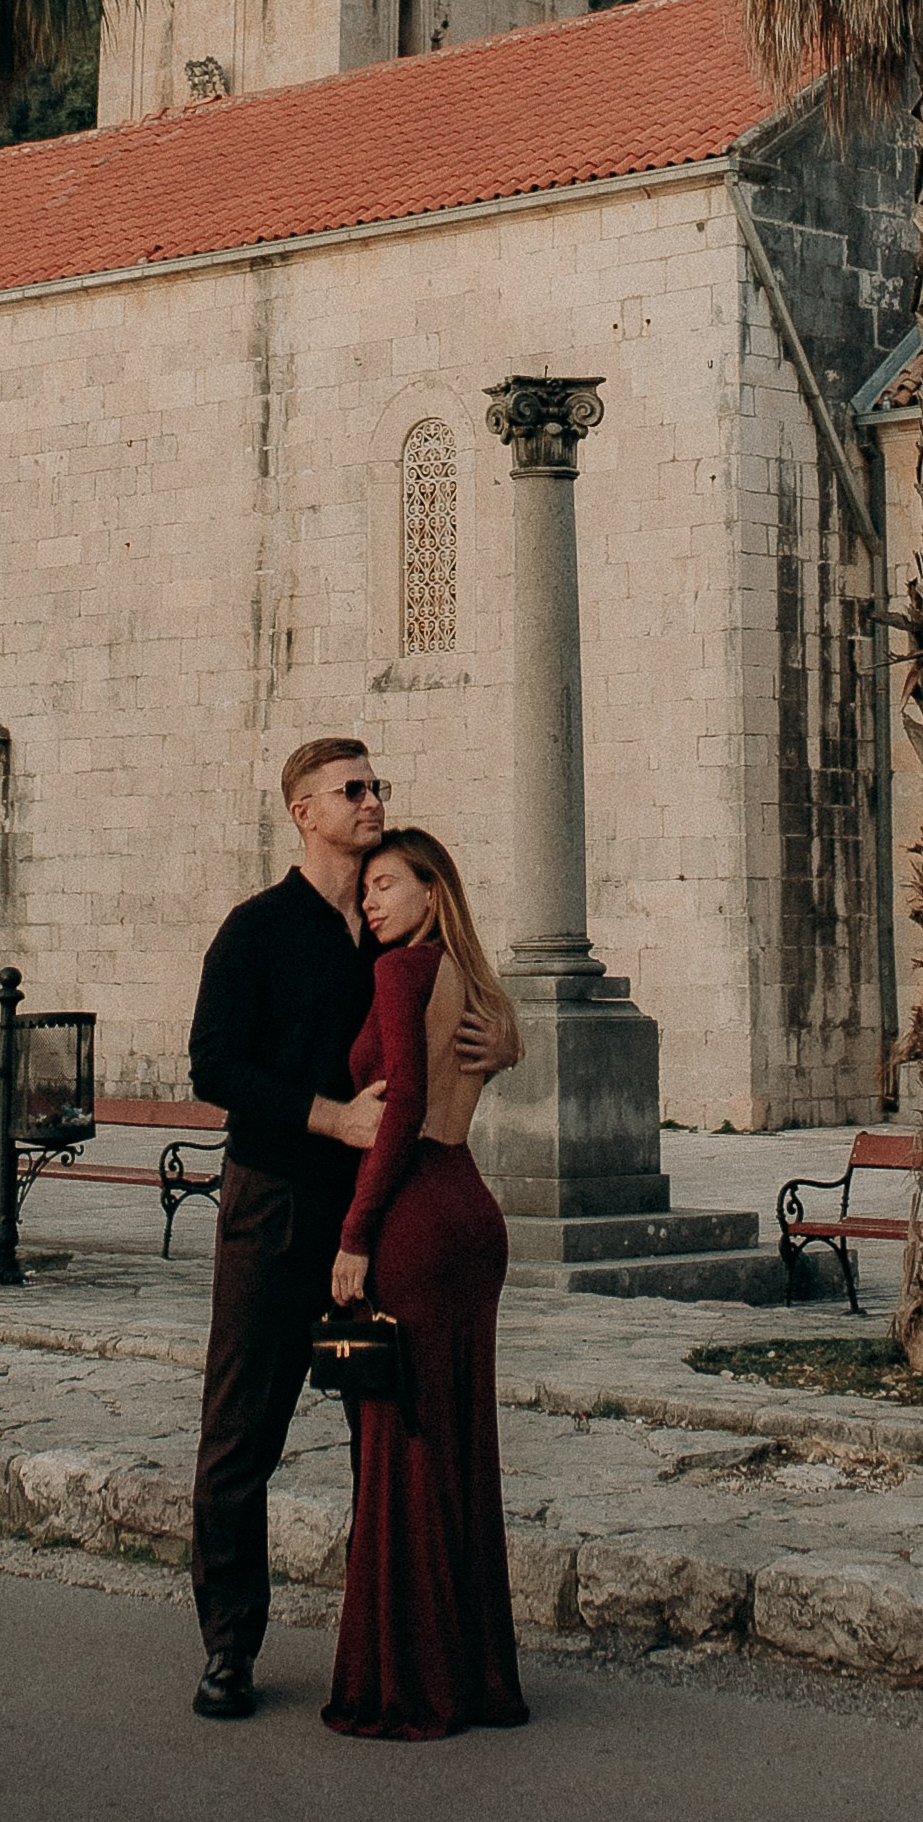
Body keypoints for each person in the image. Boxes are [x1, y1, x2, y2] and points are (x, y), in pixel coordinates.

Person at [185, 739, 515, 1723]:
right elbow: (212, 1066)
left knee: (384, 1430)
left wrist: (507, 1039)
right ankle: (229, 1648)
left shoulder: (387, 930)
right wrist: (329, 1115)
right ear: (303, 811)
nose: (374, 801)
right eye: (353, 790)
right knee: (242, 1428)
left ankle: (393, 1643)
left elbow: (459, 1002)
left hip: (380, 1218)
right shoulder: (256, 931)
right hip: (277, 1205)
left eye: (378, 789)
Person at [322, 827, 529, 1741]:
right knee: (457, 1443)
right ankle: (477, 1672)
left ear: (432, 890)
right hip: (473, 1216)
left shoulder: (403, 975)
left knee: (399, 1442)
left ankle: (409, 1679)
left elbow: (401, 1102)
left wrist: (356, 1234)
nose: (371, 901)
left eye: (387, 886)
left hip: (412, 1215)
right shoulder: (473, 981)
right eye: (364, 888)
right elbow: (470, 1065)